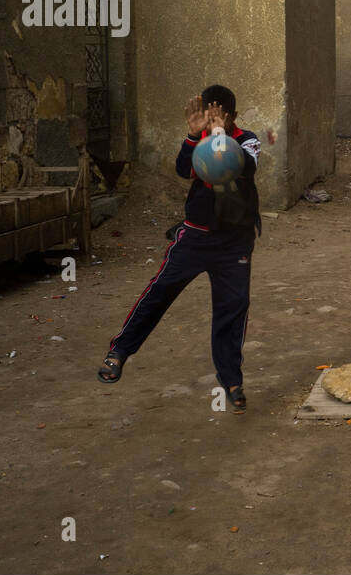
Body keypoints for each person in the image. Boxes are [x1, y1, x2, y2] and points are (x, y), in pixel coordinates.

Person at [97, 85, 262, 413]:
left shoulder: (247, 140)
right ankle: (119, 351)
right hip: (196, 238)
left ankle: (231, 380)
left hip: (234, 243)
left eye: (221, 115)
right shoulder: (199, 139)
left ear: (232, 116)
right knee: (159, 292)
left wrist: (218, 135)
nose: (215, 119)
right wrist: (193, 135)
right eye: (210, 112)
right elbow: (184, 170)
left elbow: (239, 167)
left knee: (233, 309)